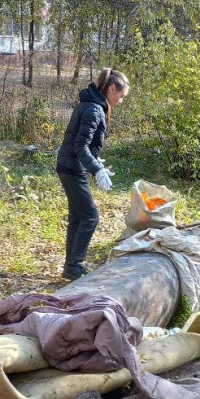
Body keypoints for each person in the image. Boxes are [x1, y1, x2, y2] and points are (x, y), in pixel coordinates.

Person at [56, 68, 130, 280]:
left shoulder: (92, 104)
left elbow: (81, 144)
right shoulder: (94, 109)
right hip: (72, 168)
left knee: (78, 217)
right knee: (90, 217)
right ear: (112, 89)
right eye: (121, 96)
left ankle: (71, 266)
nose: (121, 101)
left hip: (69, 165)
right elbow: (80, 146)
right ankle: (74, 266)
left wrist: (95, 160)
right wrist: (96, 169)